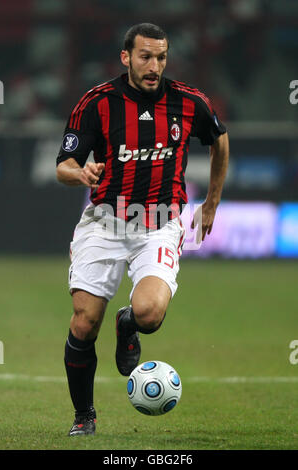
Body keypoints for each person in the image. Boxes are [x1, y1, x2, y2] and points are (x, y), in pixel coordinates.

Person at [56, 23, 229, 436]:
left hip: (159, 225)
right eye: (145, 57)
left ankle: (129, 324)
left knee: (150, 314)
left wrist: (212, 201)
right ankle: (84, 417)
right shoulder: (96, 103)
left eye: (161, 57)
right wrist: (82, 174)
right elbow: (63, 166)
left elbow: (219, 140)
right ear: (126, 57)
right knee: (84, 322)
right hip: (104, 222)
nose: (154, 66)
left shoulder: (189, 102)